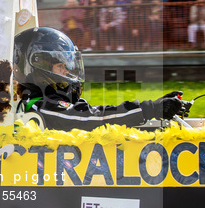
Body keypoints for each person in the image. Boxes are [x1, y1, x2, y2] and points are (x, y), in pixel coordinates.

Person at [12, 27, 189, 131]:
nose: (66, 72)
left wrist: (157, 109)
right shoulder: (39, 105)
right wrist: (148, 109)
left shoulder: (45, 101)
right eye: (60, 66)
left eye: (67, 66)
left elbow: (93, 113)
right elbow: (93, 119)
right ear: (36, 67)